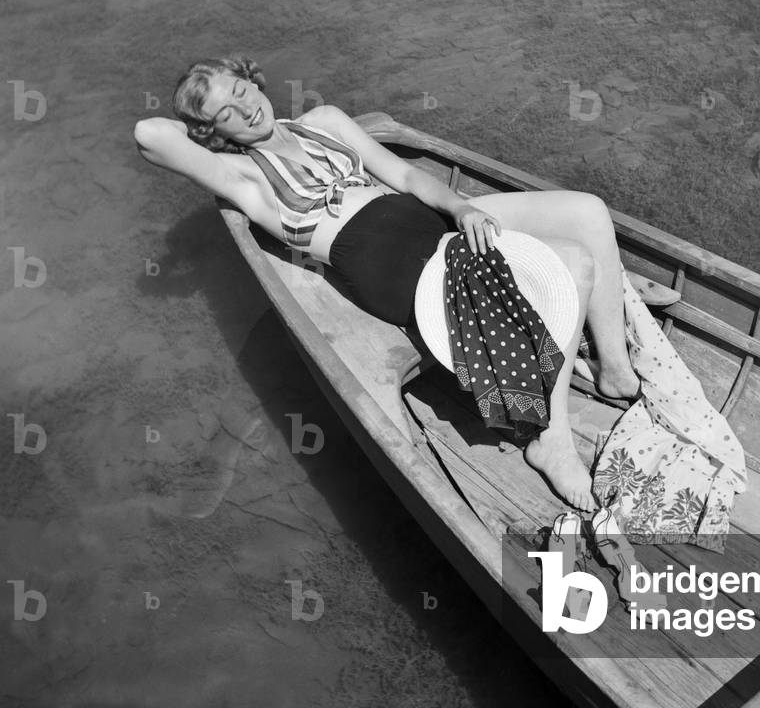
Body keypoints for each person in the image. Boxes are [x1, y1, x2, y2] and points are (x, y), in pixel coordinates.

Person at [133, 55, 641, 511]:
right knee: (573, 263)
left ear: (253, 80)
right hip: (397, 266)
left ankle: (613, 368)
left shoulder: (324, 122)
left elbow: (404, 176)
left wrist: (461, 206)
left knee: (587, 213)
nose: (246, 110)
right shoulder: (244, 178)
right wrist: (201, 121)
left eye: (242, 91)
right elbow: (150, 135)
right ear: (213, 133)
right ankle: (549, 436)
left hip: (429, 220)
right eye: (226, 115)